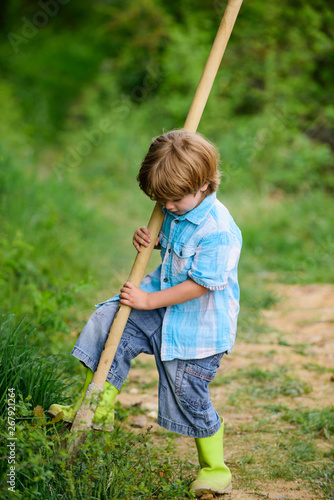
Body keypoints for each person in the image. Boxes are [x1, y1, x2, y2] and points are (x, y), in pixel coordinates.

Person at [49, 130, 242, 496]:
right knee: (111, 323)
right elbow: (170, 243)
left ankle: (215, 469)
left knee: (187, 393)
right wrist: (149, 240)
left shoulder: (219, 230)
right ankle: (96, 404)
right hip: (158, 307)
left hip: (195, 326)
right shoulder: (176, 205)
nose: (167, 207)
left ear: (203, 185)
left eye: (174, 199)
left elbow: (201, 284)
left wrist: (149, 301)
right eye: (161, 200)